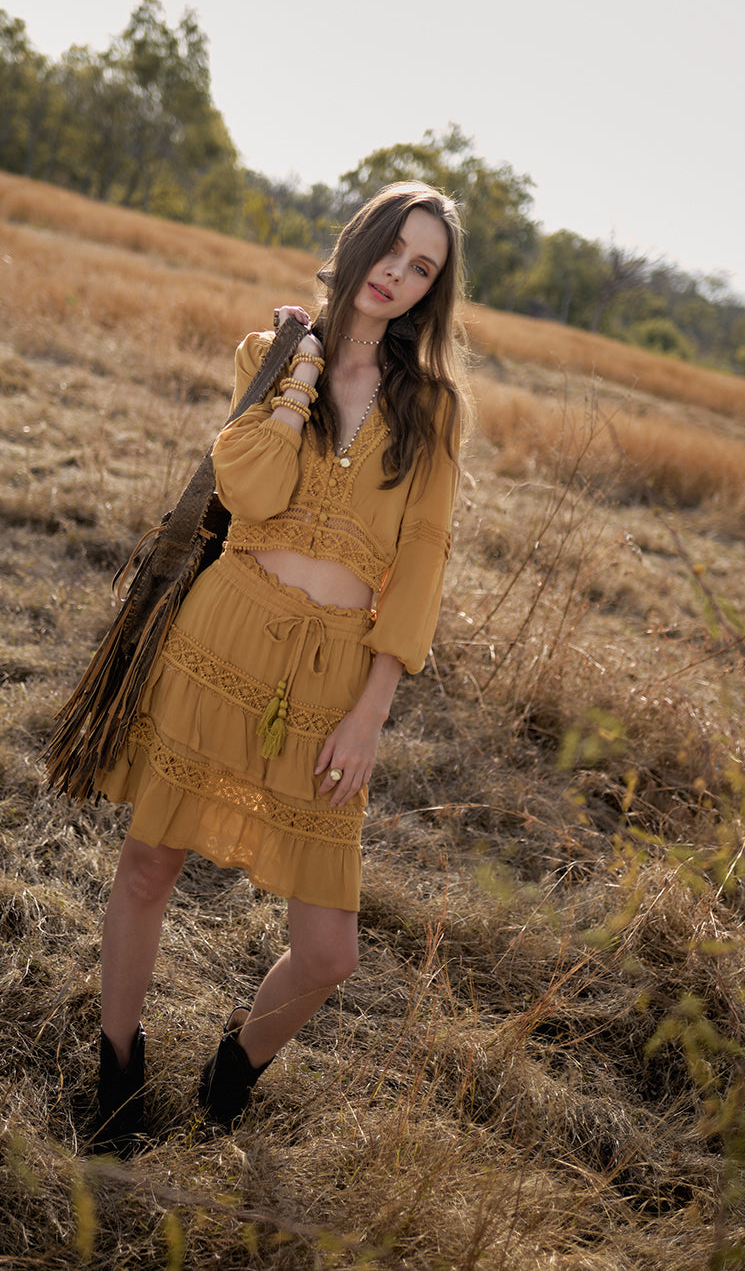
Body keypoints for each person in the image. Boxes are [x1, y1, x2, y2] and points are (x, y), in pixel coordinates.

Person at [89, 181, 469, 1154]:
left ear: (432, 291)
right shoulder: (266, 359)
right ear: (358, 244)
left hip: (332, 681)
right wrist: (300, 367)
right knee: (147, 865)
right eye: (391, 249)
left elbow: (419, 565)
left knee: (327, 952)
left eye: (421, 267)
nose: (397, 274)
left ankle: (238, 1059)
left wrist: (371, 712)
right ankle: (117, 1067)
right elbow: (247, 486)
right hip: (222, 637)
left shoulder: (432, 410)